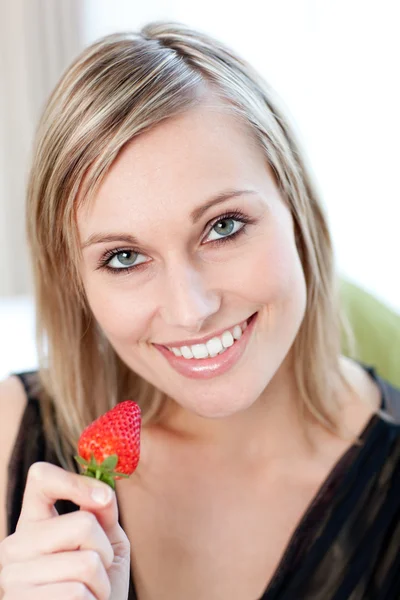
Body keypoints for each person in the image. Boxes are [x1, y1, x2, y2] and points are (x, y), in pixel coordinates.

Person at [0, 20, 399, 600]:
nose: (190, 311)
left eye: (224, 226)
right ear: (76, 282)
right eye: (123, 257)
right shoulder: (8, 433)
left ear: (297, 211)